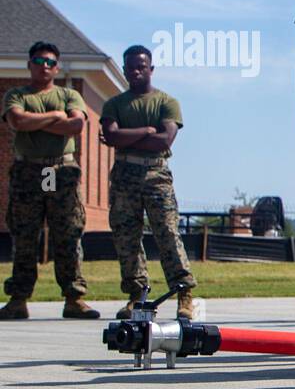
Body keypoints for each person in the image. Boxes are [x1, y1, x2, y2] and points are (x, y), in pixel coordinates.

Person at [0, 41, 99, 320]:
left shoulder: (69, 94)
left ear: (57, 67)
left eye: (50, 62)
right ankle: (18, 300)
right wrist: (56, 117)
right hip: (29, 172)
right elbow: (17, 121)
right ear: (29, 64)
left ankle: (73, 298)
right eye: (39, 61)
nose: (45, 66)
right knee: (25, 236)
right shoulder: (17, 95)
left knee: (66, 235)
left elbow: (76, 125)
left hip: (58, 173)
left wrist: (41, 121)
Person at [100, 45, 198, 319]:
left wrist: (127, 135)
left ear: (151, 69)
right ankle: (136, 295)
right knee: (126, 236)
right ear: (124, 69)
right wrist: (145, 131)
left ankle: (184, 294)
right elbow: (112, 137)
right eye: (130, 67)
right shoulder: (114, 104)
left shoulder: (167, 102)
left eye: (141, 66)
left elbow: (164, 140)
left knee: (167, 233)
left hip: (156, 175)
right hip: (124, 176)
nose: (135, 71)